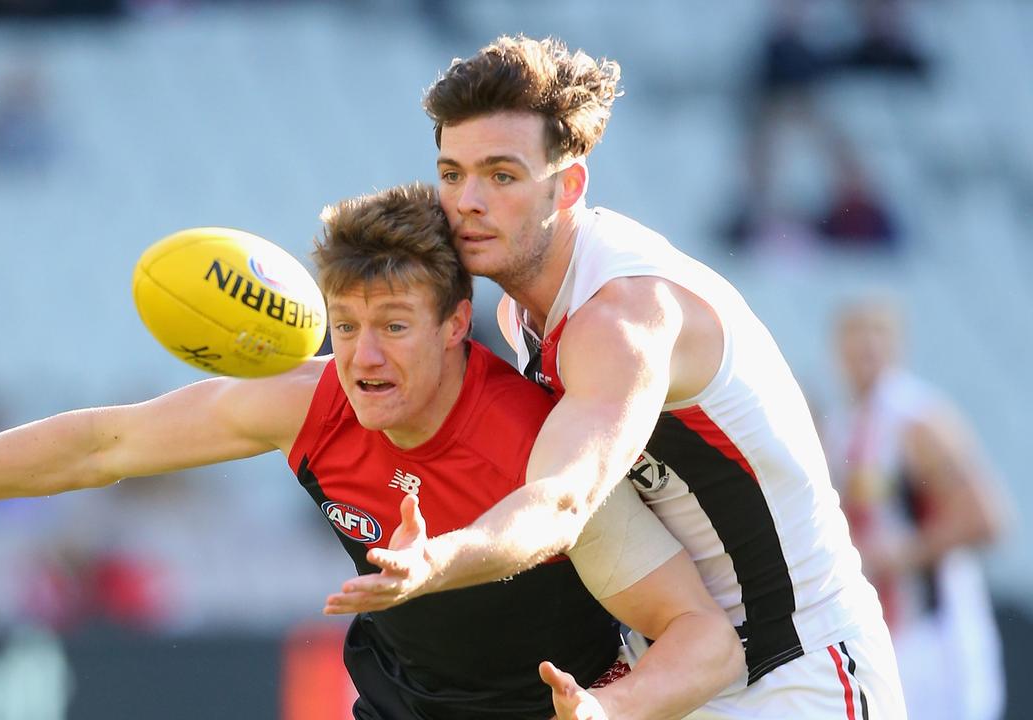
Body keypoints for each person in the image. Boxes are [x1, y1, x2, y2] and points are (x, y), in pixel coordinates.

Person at [0, 184, 741, 719]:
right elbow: (103, 443)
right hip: (400, 707)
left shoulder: (543, 441)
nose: (360, 355)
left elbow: (698, 636)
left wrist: (613, 719)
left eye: (393, 325)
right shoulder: (313, 403)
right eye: (345, 324)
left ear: (454, 326)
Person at [325, 36, 908, 719]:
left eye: (502, 176)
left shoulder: (620, 315)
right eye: (452, 174)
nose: (467, 203)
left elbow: (564, 501)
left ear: (568, 185)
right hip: (676, 668)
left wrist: (439, 560)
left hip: (799, 672)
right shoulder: (522, 310)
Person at [826, 297, 1006, 720]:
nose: (866, 345)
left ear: (897, 345)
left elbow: (987, 519)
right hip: (885, 628)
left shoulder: (919, 421)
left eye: (878, 333)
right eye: (856, 332)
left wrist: (904, 551)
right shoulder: (842, 424)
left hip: (937, 634)